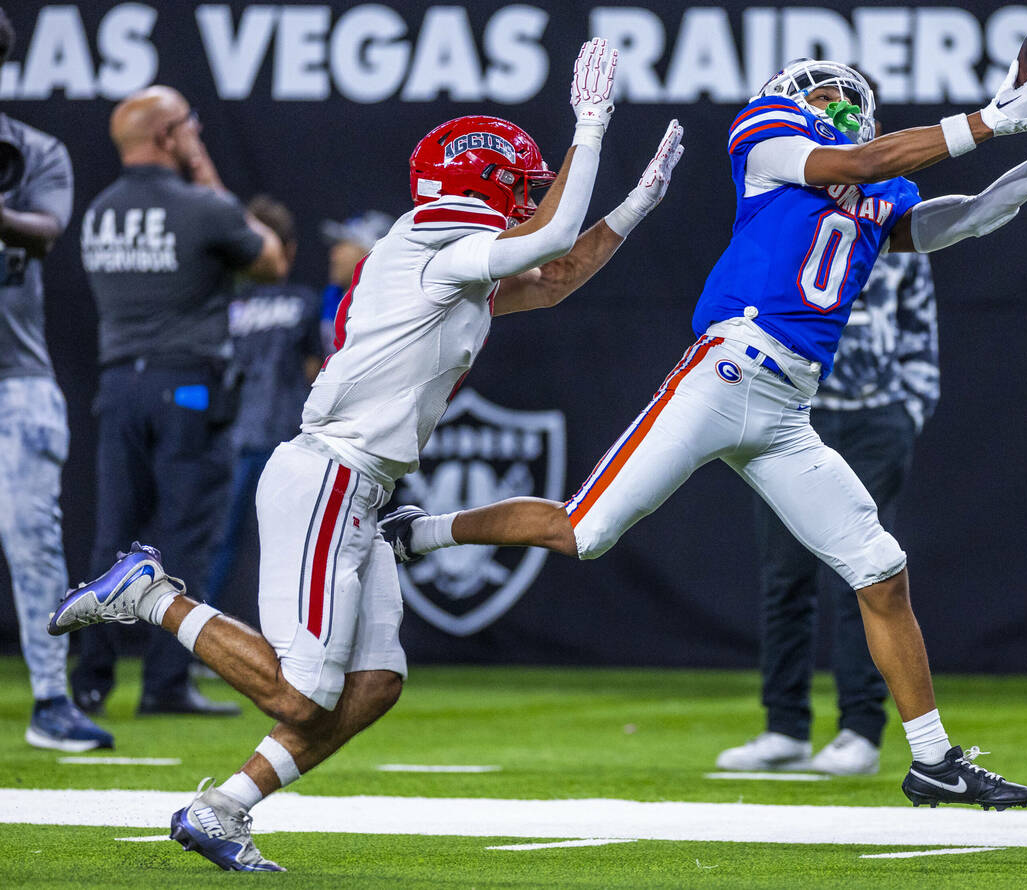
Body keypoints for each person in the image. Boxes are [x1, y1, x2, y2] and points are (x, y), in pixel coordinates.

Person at [385, 57, 1027, 809]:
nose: (825, 104)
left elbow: (970, 215)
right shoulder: (765, 133)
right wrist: (992, 121)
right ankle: (423, 531)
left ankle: (933, 759)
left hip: (789, 408)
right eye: (818, 93)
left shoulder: (877, 195)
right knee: (583, 532)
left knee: (880, 568)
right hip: (726, 371)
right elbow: (856, 159)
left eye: (833, 94)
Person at [50, 39, 684, 871]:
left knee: (374, 685)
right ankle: (148, 594)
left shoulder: (450, 260)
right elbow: (553, 232)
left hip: (364, 488)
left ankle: (224, 808)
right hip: (329, 474)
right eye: (518, 186)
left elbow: (557, 272)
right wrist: (591, 125)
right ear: (483, 186)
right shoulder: (429, 234)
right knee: (301, 689)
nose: (528, 200)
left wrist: (634, 205)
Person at [72, 85, 287, 717]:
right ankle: (166, 684)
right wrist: (202, 166)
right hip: (187, 385)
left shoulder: (100, 211)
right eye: (189, 126)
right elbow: (270, 261)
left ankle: (90, 680)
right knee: (187, 533)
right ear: (169, 137)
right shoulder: (203, 206)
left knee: (112, 534)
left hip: (117, 386)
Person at [717, 248, 938, 776]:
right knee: (783, 576)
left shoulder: (894, 231)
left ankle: (860, 730)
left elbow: (920, 332)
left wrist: (907, 411)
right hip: (790, 417)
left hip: (873, 421)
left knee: (865, 576)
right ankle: (784, 728)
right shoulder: (790, 226)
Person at [0, 7, 112, 751]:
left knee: (30, 539)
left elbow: (45, 230)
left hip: (17, 380)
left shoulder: (33, 149)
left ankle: (50, 699)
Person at [205, 195, 324, 617]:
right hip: (285, 443)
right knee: (291, 546)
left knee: (218, 543)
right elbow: (317, 375)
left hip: (239, 440)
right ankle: (295, 637)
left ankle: (194, 645)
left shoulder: (219, 303)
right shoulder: (304, 303)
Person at [318, 211, 393, 355]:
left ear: (369, 251)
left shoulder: (392, 303)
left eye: (344, 245)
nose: (333, 254)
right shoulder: (331, 296)